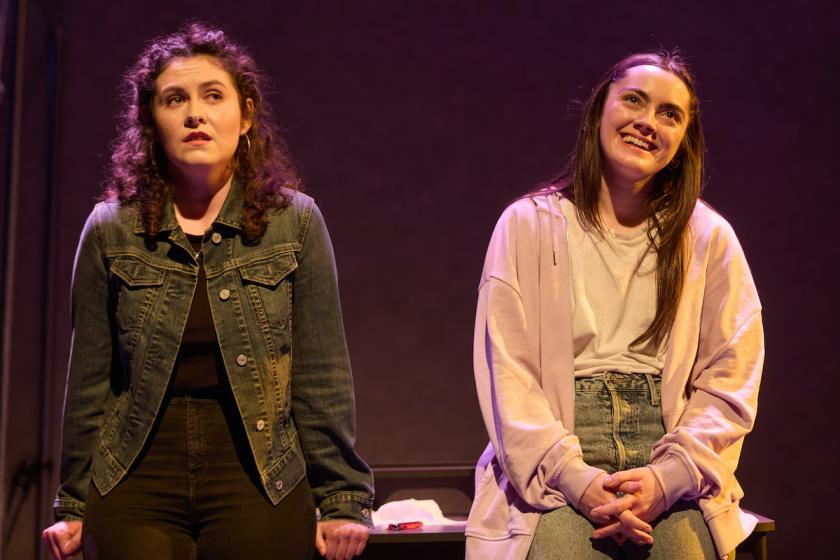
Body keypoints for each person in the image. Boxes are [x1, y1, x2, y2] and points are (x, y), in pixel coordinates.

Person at [41, 22, 373, 560]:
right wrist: (74, 504)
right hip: (138, 467)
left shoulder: (295, 223)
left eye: (213, 96)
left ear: (245, 117)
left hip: (256, 466)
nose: (195, 113)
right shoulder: (111, 228)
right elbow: (89, 383)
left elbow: (321, 372)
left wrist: (341, 499)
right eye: (175, 99)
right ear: (152, 122)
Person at [466, 52, 763, 560]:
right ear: (599, 110)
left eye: (669, 114)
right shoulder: (527, 225)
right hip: (558, 457)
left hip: (671, 450)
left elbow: (731, 376)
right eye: (634, 101)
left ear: (683, 141)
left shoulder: (708, 237)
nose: (648, 122)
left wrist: (667, 478)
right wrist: (576, 479)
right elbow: (510, 378)